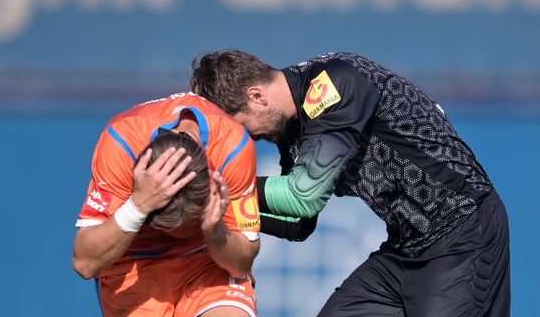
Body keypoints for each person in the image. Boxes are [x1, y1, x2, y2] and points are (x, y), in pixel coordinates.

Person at [191, 51, 510, 316]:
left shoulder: (335, 83)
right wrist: (215, 210)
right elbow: (300, 222)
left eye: (240, 127)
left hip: (463, 231)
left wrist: (224, 188)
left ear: (256, 97)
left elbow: (301, 197)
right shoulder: (290, 127)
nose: (245, 139)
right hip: (406, 247)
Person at [72, 92, 261, 317]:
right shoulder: (122, 141)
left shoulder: (232, 147)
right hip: (133, 261)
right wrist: (138, 206)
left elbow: (241, 264)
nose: (175, 232)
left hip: (205, 257)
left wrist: (215, 231)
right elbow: (85, 263)